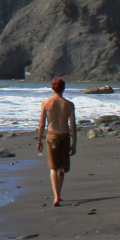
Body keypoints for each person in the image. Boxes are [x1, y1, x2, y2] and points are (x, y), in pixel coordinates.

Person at [37, 77, 76, 207]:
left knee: (53, 167)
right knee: (61, 168)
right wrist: (74, 143)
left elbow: (42, 124)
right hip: (64, 135)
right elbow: (73, 125)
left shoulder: (46, 103)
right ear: (63, 88)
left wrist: (39, 140)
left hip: (52, 135)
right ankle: (59, 193)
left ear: (52, 88)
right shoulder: (69, 104)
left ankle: (56, 196)